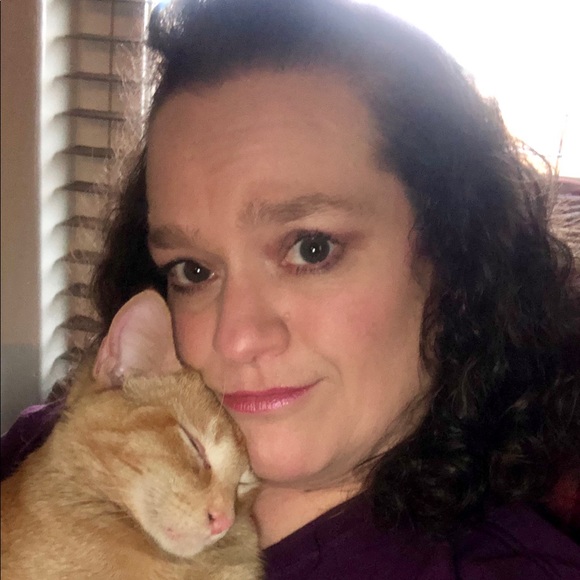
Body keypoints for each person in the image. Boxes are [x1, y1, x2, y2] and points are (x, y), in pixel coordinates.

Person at [2, 0, 580, 577]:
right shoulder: (45, 443)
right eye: (193, 271)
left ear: (456, 256)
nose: (236, 338)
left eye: (311, 248)